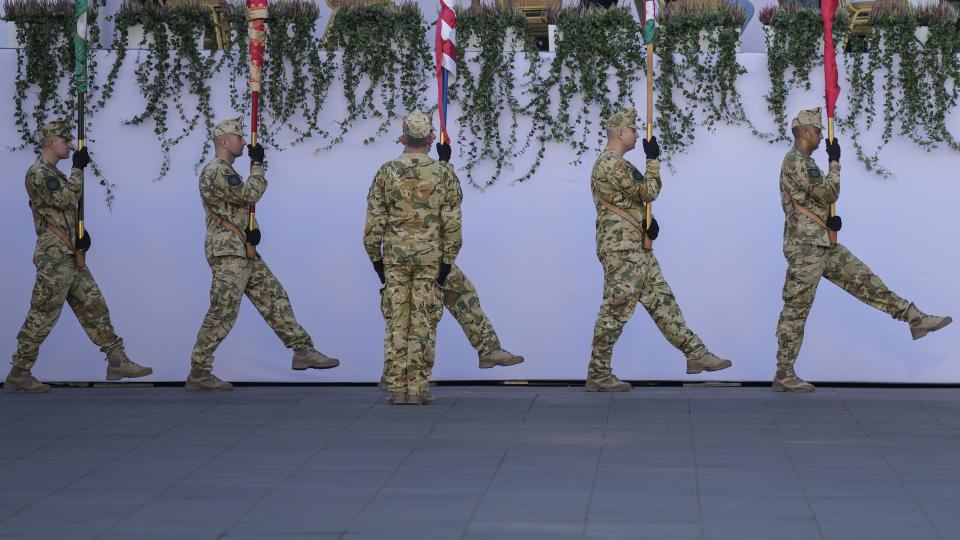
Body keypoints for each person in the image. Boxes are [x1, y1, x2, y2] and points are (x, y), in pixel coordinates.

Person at [773, 108, 951, 392]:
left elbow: (814, 200)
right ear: (805, 132)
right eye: (818, 131)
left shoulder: (803, 162)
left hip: (821, 244)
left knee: (865, 280)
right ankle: (784, 373)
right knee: (796, 309)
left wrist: (827, 221)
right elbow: (829, 193)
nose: (822, 136)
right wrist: (834, 163)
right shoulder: (798, 162)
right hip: (806, 248)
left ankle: (914, 318)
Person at [586, 106, 733, 392]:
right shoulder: (611, 163)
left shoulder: (615, 164)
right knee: (615, 310)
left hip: (634, 247)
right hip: (622, 250)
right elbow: (648, 191)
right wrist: (653, 160)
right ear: (620, 133)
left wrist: (645, 222)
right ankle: (598, 373)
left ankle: (696, 354)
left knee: (663, 302)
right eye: (632, 130)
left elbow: (632, 200)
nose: (637, 134)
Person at [187, 117, 339, 391]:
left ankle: (302, 349)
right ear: (224, 141)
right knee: (223, 311)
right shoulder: (216, 170)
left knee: (273, 296)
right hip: (228, 252)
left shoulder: (224, 170)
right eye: (239, 138)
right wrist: (258, 168)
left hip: (241, 249)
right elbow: (248, 195)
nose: (244, 142)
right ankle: (199, 370)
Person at [5, 120, 152, 392]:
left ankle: (116, 359)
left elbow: (62, 211)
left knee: (94, 305)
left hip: (69, 254)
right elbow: (65, 199)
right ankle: (19, 372)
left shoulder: (54, 173)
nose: (71, 145)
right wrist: (77, 168)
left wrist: (79, 237)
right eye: (65, 141)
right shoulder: (38, 172)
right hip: (54, 259)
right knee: (43, 313)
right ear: (50, 142)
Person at [364, 110, 463, 405]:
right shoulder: (444, 174)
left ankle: (396, 388)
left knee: (397, 322)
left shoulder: (386, 171)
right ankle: (418, 390)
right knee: (423, 322)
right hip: (430, 258)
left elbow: (373, 223)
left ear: (402, 138)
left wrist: (376, 259)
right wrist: (447, 261)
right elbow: (453, 224)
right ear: (433, 139)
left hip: (395, 257)